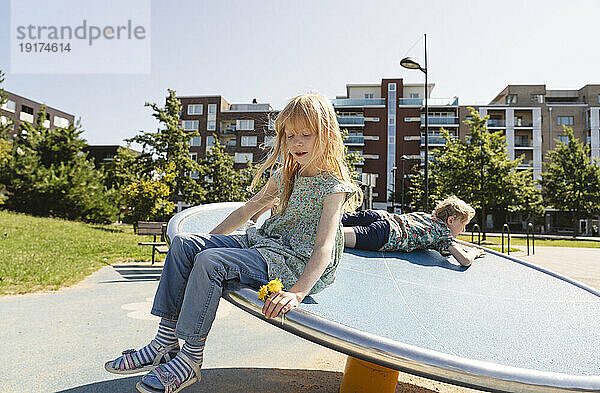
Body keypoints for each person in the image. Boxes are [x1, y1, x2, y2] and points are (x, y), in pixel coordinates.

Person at [104, 93, 362, 393]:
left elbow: (324, 246)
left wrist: (297, 293)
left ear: (327, 134)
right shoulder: (285, 176)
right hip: (265, 244)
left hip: (294, 263)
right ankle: (164, 343)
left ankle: (190, 358)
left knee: (211, 262)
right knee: (185, 246)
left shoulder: (333, 186)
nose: (297, 143)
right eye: (290, 136)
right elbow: (246, 211)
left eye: (306, 134)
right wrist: (210, 241)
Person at [342, 196, 485, 267]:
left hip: (381, 216)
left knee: (338, 219)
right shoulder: (444, 235)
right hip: (386, 234)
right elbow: (464, 261)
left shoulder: (428, 217)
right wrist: (473, 252)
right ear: (451, 221)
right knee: (335, 236)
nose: (464, 229)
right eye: (463, 224)